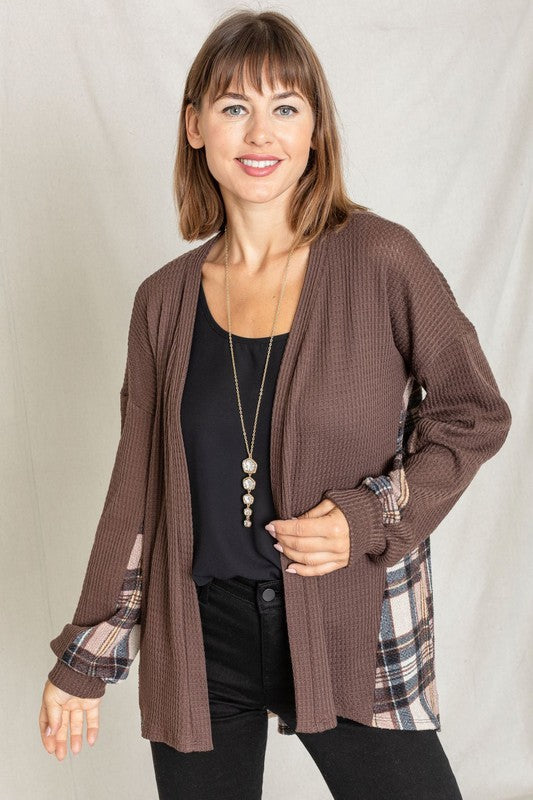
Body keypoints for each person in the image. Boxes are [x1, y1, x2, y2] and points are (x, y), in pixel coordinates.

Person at [39, 9, 512, 799]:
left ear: (315, 127)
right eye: (234, 108)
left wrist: (366, 515)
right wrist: (86, 659)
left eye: (285, 107)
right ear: (195, 127)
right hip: (202, 634)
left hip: (350, 618)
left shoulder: (380, 258)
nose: (261, 135)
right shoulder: (163, 301)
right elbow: (139, 494)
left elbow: (472, 413)